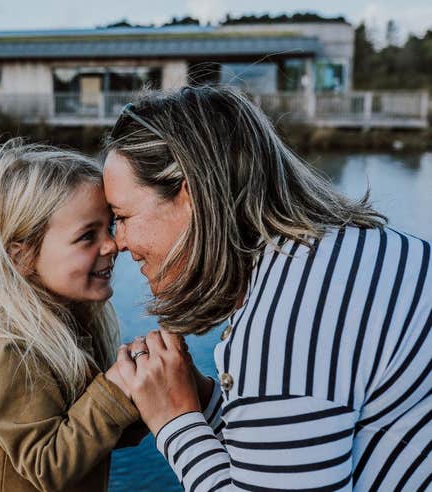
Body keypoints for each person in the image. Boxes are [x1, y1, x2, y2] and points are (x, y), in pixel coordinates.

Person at [103, 85, 432, 491]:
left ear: (191, 195)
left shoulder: (290, 323)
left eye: (123, 215)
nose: (117, 241)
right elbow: (290, 448)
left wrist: (174, 423)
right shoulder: (334, 257)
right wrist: (201, 402)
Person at [0, 139, 152, 491]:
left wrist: (147, 389)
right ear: (22, 256)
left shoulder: (66, 324)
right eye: (87, 236)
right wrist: (115, 389)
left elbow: (87, 434)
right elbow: (48, 466)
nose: (112, 245)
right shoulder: (8, 348)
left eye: (109, 227)